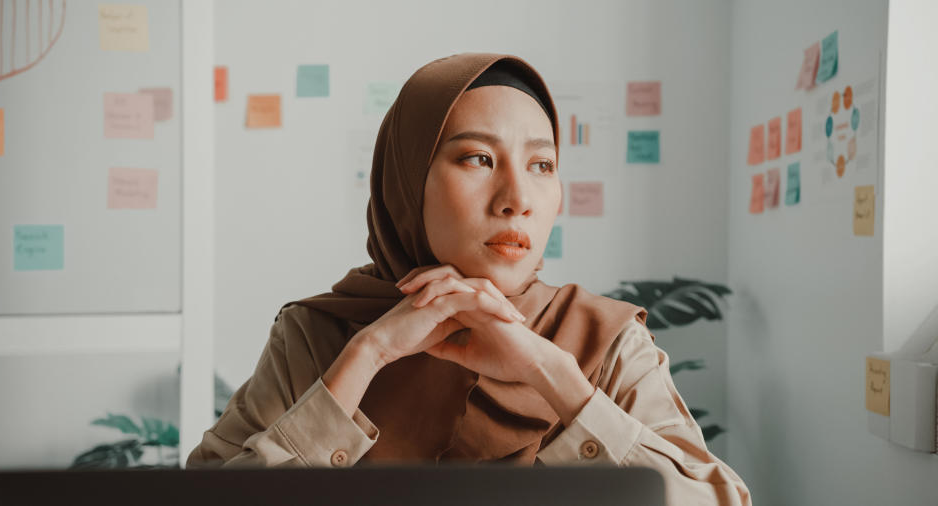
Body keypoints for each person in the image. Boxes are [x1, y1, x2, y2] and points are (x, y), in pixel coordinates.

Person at [187, 53, 751, 506]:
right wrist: (368, 355)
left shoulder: (606, 338)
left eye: (541, 165)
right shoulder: (317, 334)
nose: (517, 200)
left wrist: (552, 372)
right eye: (478, 159)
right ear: (407, 184)